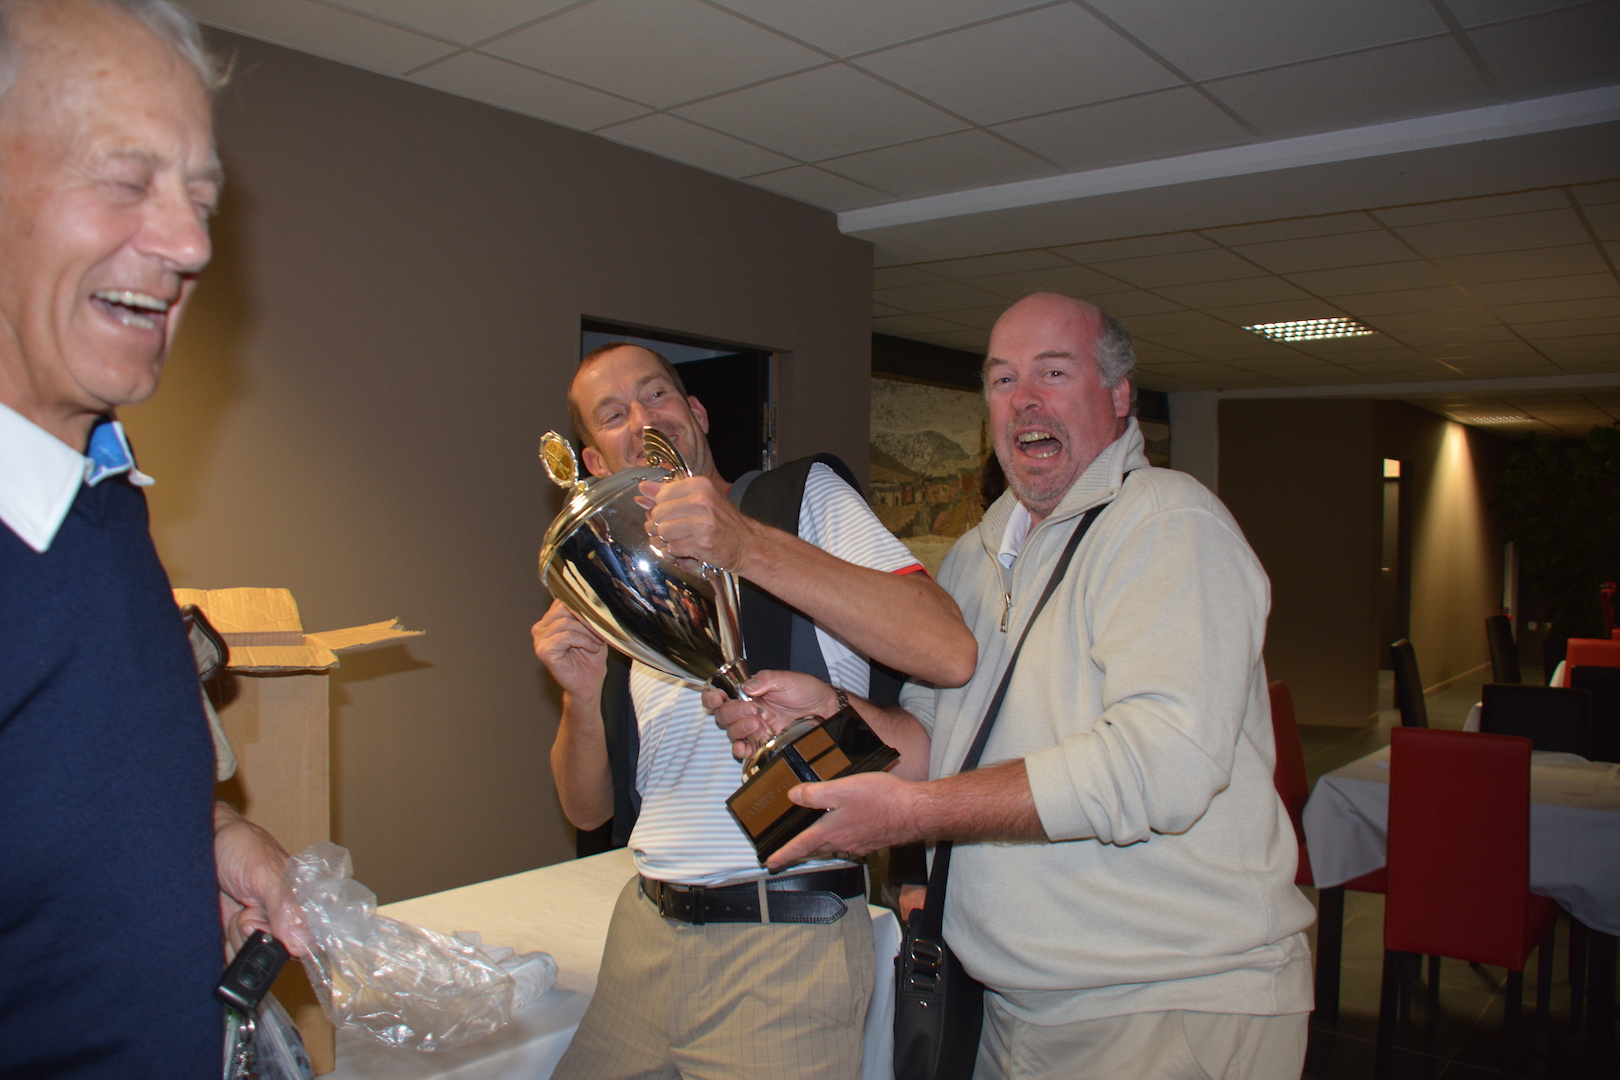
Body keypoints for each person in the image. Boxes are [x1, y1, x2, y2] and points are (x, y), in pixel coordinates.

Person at [712, 293, 1316, 1079]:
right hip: (1018, 1012)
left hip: (1168, 1006)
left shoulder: (1169, 525)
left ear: (1119, 396)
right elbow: (932, 746)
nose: (1024, 399)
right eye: (1002, 380)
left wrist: (914, 818)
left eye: (1052, 373)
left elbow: (1157, 766)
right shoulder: (975, 555)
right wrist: (834, 710)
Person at [0, 2, 306, 1075]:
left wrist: (206, 842)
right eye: (126, 181)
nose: (190, 245)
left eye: (199, 198)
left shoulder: (100, 492)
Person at [533, 341, 977, 1080]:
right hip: (643, 935)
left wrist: (745, 543)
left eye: (658, 396)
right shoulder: (630, 590)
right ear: (594, 462)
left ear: (697, 414)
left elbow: (948, 646)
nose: (643, 418)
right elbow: (587, 811)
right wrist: (578, 698)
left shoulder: (798, 502)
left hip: (783, 942)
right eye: (614, 413)